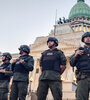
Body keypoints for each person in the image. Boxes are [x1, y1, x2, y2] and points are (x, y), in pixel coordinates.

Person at [70, 32, 90, 100]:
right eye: (86, 37)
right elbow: (71, 63)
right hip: (83, 78)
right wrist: (76, 56)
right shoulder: (78, 50)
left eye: (89, 37)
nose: (88, 38)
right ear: (83, 40)